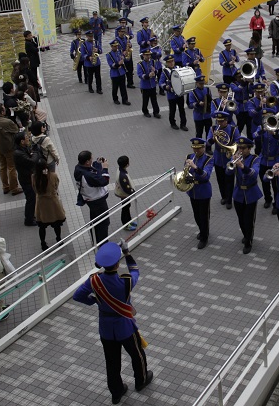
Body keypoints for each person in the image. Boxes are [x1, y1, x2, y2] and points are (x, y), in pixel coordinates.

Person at [72, 242, 154, 405]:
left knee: (112, 361)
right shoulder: (125, 282)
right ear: (117, 264)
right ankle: (141, 381)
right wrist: (126, 252)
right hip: (125, 326)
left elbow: (77, 296)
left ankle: (116, 392)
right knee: (137, 354)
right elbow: (135, 270)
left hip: (106, 328)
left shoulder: (94, 281)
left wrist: (95, 301)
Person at [226, 136, 262, 254]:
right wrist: (232, 163)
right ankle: (245, 234)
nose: (241, 150)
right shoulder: (236, 158)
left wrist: (242, 166)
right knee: (241, 219)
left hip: (251, 193)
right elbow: (228, 172)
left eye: (243, 148)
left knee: (249, 220)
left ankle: (248, 241)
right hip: (238, 193)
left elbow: (254, 173)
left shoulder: (255, 159)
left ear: (249, 148)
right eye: (239, 148)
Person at [74, 151, 112, 245]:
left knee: (94, 220)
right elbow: (103, 181)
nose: (92, 159)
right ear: (87, 162)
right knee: (103, 222)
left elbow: (93, 172)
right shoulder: (88, 175)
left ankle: (95, 239)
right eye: (91, 159)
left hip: (90, 200)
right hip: (98, 201)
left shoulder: (78, 168)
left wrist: (97, 163)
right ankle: (103, 243)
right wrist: (105, 168)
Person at [184, 138, 214, 249]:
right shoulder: (189, 157)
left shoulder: (208, 159)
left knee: (204, 215)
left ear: (203, 147)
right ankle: (202, 230)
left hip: (204, 191)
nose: (196, 151)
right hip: (192, 190)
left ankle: (204, 237)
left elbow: (206, 175)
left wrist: (195, 167)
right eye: (194, 148)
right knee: (196, 214)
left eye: (198, 148)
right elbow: (185, 171)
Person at [207, 111, 240, 210]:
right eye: (218, 121)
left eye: (222, 121)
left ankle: (229, 200)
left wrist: (234, 155)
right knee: (220, 179)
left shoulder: (233, 129)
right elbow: (207, 144)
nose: (219, 124)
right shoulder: (213, 129)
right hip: (218, 157)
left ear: (226, 121)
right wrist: (212, 139)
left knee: (229, 179)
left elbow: (238, 143)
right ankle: (224, 197)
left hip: (229, 157)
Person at [0, 104, 21, 196]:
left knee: (2, 167)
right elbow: (16, 130)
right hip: (9, 147)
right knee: (11, 167)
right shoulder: (7, 122)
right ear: (2, 112)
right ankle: (14, 188)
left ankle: (5, 187)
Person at [33, 159, 66, 251]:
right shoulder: (53, 176)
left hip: (41, 204)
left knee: (42, 226)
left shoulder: (34, 177)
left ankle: (43, 243)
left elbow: (34, 189)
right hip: (53, 203)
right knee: (57, 224)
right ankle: (59, 239)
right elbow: (56, 186)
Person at [159, 55, 189, 131]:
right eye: (169, 62)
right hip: (171, 95)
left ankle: (183, 124)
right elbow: (161, 82)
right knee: (172, 110)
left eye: (172, 61)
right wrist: (166, 87)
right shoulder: (165, 72)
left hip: (179, 93)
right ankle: (172, 123)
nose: (171, 63)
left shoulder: (178, 69)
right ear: (167, 63)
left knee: (182, 109)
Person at [13, 132, 37, 227]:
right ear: (22, 141)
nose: (28, 138)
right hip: (26, 179)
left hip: (28, 176)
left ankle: (31, 216)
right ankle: (29, 219)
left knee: (32, 197)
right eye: (27, 137)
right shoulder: (18, 153)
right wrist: (34, 154)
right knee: (31, 198)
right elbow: (31, 161)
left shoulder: (22, 149)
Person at [115, 155, 137, 231]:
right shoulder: (123, 176)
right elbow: (126, 188)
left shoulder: (120, 169)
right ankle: (126, 224)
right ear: (127, 164)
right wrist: (133, 192)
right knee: (125, 208)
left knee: (127, 207)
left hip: (123, 193)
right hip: (124, 194)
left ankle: (129, 221)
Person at [107, 40, 131, 106]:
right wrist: (118, 63)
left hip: (122, 72)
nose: (116, 47)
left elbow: (126, 60)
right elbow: (111, 65)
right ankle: (115, 99)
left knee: (123, 87)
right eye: (114, 46)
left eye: (117, 46)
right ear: (111, 47)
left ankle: (125, 100)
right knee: (115, 88)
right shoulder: (108, 55)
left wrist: (125, 57)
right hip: (114, 74)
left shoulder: (120, 52)